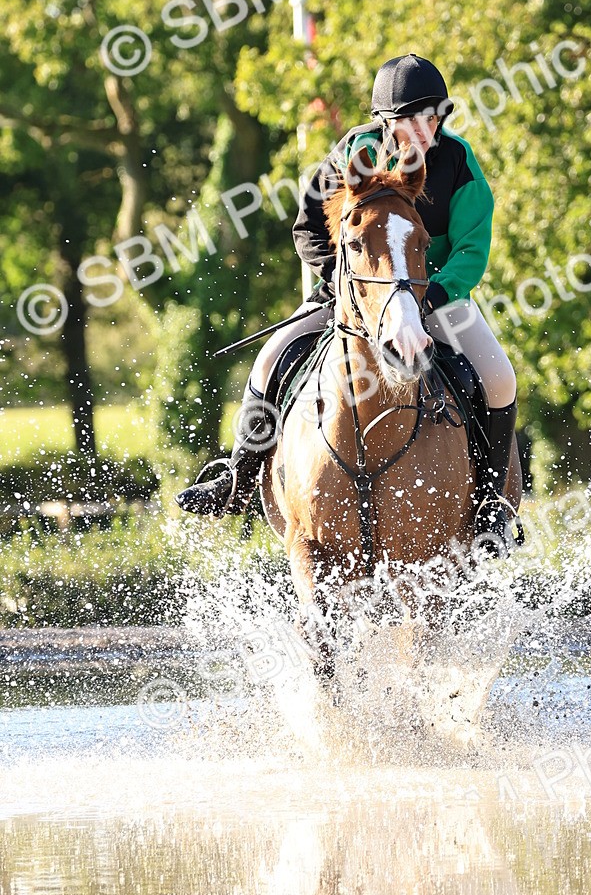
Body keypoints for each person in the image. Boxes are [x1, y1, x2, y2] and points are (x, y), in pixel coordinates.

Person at [176, 53, 518, 539]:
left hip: (435, 294)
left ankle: (490, 506)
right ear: (385, 121)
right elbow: (309, 227)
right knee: (271, 359)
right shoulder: (354, 152)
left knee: (498, 378)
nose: (425, 129)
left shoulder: (459, 161)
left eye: (433, 116)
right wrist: (337, 281)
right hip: (352, 294)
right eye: (410, 119)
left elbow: (471, 246)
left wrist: (430, 293)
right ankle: (238, 478)